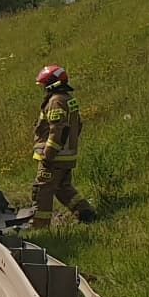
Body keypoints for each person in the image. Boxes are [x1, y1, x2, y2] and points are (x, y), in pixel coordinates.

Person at [31, 64, 96, 227]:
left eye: (45, 85)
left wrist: (48, 154)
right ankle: (85, 212)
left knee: (42, 190)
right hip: (67, 156)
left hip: (54, 158)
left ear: (52, 84)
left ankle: (40, 226)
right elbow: (77, 125)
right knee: (62, 188)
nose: (44, 88)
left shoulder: (55, 101)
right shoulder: (68, 99)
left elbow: (57, 129)